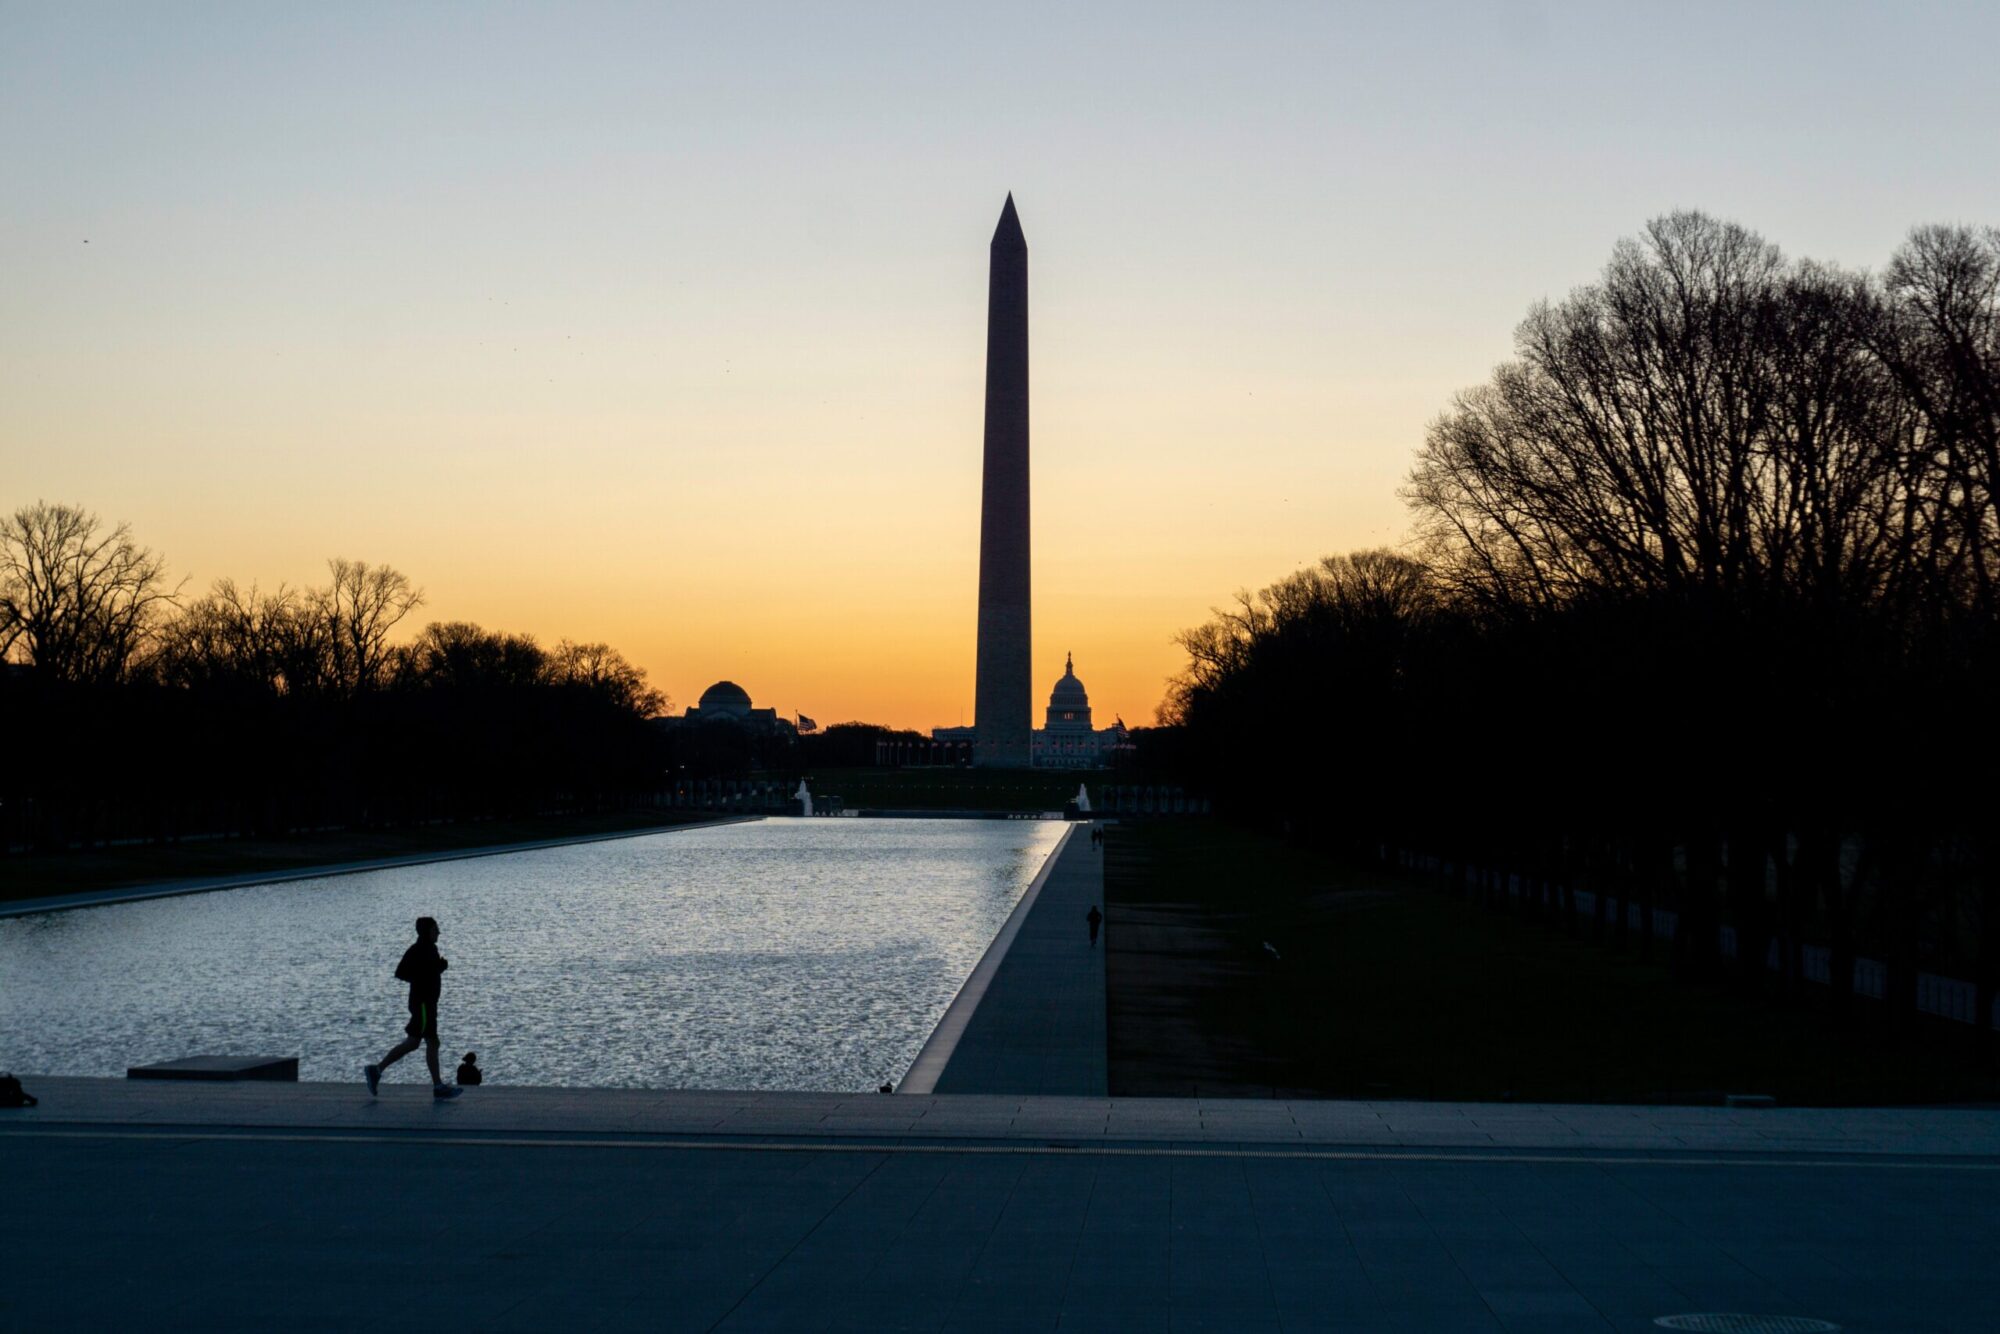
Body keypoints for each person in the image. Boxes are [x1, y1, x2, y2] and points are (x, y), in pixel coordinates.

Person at [365, 916, 461, 1099]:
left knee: (418, 1042)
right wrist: (433, 971)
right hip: (423, 1005)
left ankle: (377, 1070)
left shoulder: (428, 949)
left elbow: (425, 972)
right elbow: (401, 972)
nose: (438, 932)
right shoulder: (419, 950)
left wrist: (436, 969)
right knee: (427, 1042)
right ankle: (437, 1086)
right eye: (435, 929)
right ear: (427, 931)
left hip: (427, 1004)